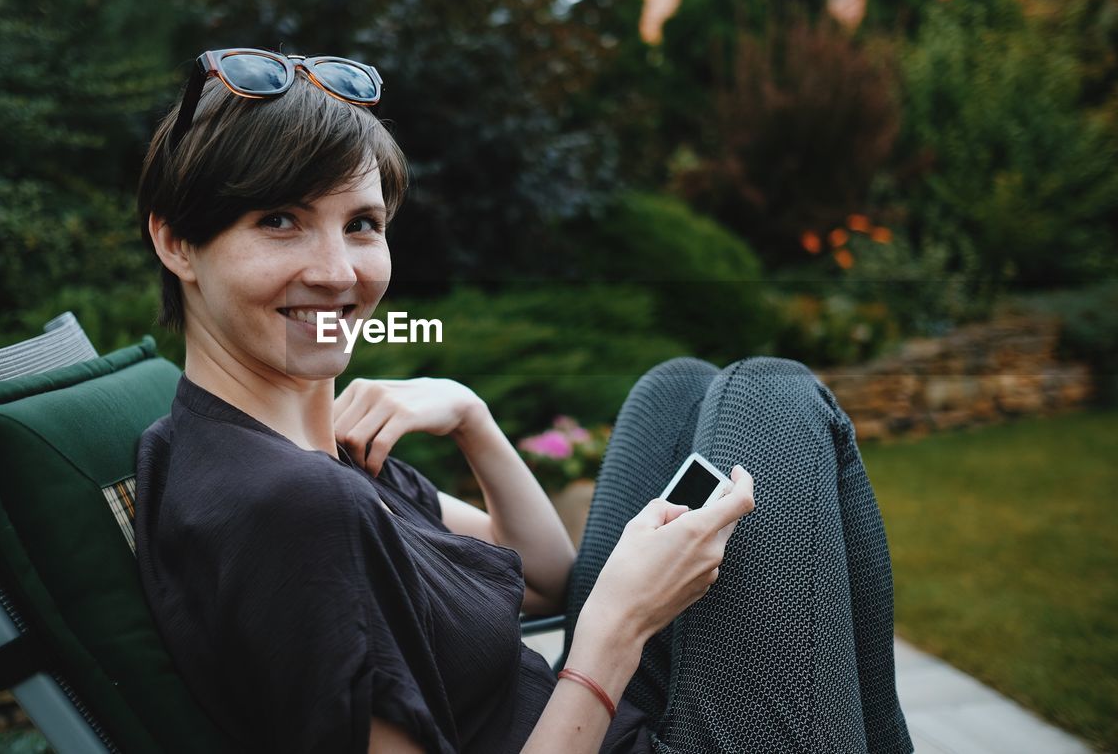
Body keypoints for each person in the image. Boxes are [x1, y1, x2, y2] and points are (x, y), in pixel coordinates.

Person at [133, 48, 914, 753]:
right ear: (175, 242)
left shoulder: (264, 443)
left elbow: (541, 579)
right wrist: (617, 629)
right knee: (770, 394)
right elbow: (577, 603)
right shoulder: (295, 506)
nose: (339, 273)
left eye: (362, 223)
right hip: (599, 721)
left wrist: (471, 416)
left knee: (676, 387)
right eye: (280, 221)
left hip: (588, 714)